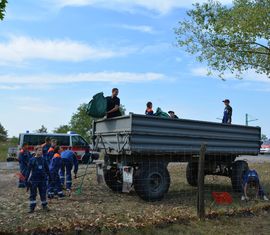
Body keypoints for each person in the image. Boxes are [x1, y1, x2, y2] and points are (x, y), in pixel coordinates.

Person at [25, 145, 50, 213]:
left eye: (41, 150)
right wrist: (26, 179)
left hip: (42, 180)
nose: (41, 151)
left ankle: (44, 205)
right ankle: (32, 207)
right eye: (39, 150)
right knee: (33, 194)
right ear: (35, 151)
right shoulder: (32, 160)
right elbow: (28, 171)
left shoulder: (44, 160)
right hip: (34, 180)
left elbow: (47, 169)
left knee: (43, 193)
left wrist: (50, 177)